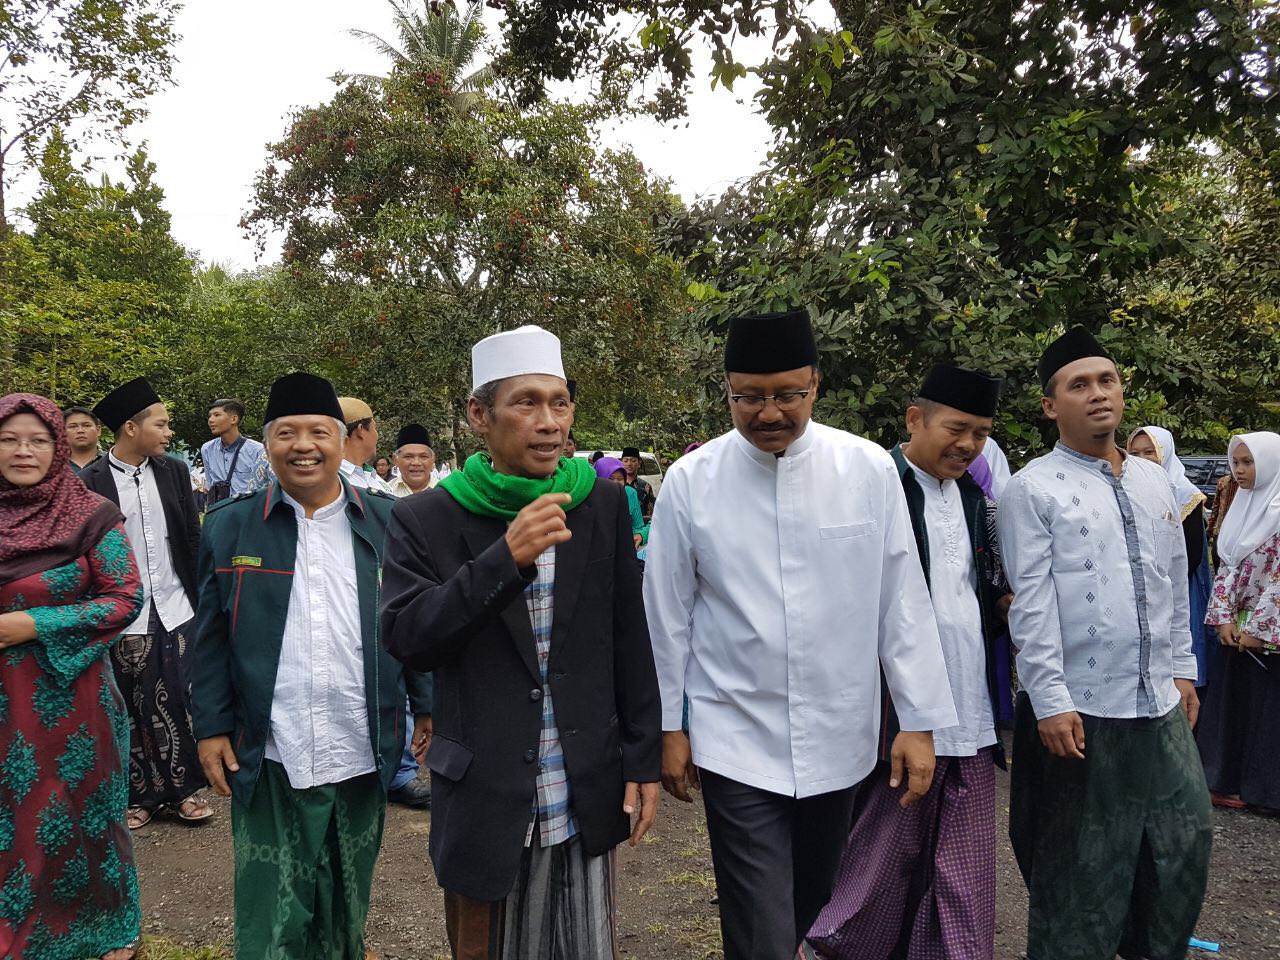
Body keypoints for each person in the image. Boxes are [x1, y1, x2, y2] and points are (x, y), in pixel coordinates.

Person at [644, 309, 956, 960]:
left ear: (816, 384)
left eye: (788, 393)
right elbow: (667, 614)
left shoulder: (867, 470)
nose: (768, 412)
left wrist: (920, 722)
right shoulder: (690, 484)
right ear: (725, 391)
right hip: (735, 734)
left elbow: (901, 599)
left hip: (840, 733)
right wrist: (669, 727)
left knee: (811, 904)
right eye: (748, 397)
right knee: (759, 927)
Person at [380, 324, 662, 960]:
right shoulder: (428, 516)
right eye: (526, 403)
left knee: (584, 945)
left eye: (559, 403)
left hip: (581, 776)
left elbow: (629, 635)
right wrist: (503, 559)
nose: (549, 422)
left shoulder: (599, 505)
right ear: (480, 415)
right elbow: (407, 637)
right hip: (486, 787)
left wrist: (641, 757)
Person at [191, 372, 433, 959]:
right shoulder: (230, 524)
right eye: (287, 433)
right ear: (267, 441)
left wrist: (427, 704)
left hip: (360, 733)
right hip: (270, 741)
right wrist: (210, 727)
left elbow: (414, 621)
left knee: (346, 899)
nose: (304, 445)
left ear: (340, 438)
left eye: (319, 432)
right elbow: (210, 636)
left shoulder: (388, 521)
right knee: (272, 906)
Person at [997, 326, 1211, 960]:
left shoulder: (1156, 483)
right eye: (1079, 385)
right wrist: (1050, 697)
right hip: (1080, 707)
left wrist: (1182, 668)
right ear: (1050, 405)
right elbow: (1030, 604)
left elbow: (1173, 582)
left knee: (1183, 841)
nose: (1098, 394)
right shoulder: (1031, 488)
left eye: (1107, 380)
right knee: (1079, 867)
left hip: (1157, 700)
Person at [811, 365, 1011, 960]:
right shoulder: (876, 486)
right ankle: (836, 947)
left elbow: (985, 590)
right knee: (882, 848)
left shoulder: (978, 498)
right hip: (893, 708)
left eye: (980, 433)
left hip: (968, 703)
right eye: (956, 428)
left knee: (965, 856)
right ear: (914, 419)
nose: (968, 445)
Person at [0, 394, 146, 960]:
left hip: (69, 696)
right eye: (10, 438)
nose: (23, 450)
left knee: (76, 811)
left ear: (58, 445)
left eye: (37, 439)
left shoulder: (89, 514)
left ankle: (103, 926)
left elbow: (123, 598)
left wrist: (32, 622)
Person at [80, 378, 213, 829]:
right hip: (124, 611)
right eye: (162, 423)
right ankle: (139, 796)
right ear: (131, 429)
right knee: (132, 703)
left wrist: (203, 595)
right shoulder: (90, 481)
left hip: (176, 604)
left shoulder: (173, 471)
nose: (168, 432)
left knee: (179, 698)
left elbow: (190, 537)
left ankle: (185, 791)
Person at [1198, 432, 1280, 814]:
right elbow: (1226, 567)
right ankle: (1226, 781)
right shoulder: (1242, 506)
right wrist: (1224, 619)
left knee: (1268, 711)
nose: (1241, 471)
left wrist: (1260, 628)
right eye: (1238, 463)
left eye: (1250, 463)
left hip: (1268, 631)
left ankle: (1266, 792)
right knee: (1235, 705)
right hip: (1238, 629)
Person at [1127, 426, 1214, 689]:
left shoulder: (1184, 495)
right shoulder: (1127, 491)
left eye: (1149, 451)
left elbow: (1192, 554)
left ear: (1165, 453)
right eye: (1134, 453)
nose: (1142, 458)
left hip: (1177, 586)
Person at [201, 399, 265, 503]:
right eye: (210, 416)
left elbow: (264, 488)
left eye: (217, 415)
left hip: (246, 512)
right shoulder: (207, 449)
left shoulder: (257, 450)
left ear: (234, 419)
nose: (211, 420)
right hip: (219, 512)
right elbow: (209, 485)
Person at [339, 396, 395, 494]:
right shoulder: (333, 482)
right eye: (375, 428)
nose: (377, 435)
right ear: (361, 431)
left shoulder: (376, 480)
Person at [593, 455, 648, 548]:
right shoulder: (590, 497)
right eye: (610, 478)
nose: (615, 483)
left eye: (620, 479)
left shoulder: (630, 493)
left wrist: (640, 535)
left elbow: (638, 527)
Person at [389, 424, 437, 497]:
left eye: (423, 456)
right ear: (396, 460)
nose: (416, 463)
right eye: (408, 457)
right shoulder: (386, 492)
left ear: (433, 459)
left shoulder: (446, 493)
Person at [63, 405, 104, 473]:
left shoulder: (112, 461)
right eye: (73, 426)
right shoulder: (53, 465)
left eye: (86, 425)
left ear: (98, 430)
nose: (80, 430)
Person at [620, 446, 655, 517]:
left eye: (633, 461)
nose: (629, 464)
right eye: (626, 461)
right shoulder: (617, 485)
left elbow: (651, 513)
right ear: (621, 463)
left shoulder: (646, 486)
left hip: (641, 526)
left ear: (639, 463)